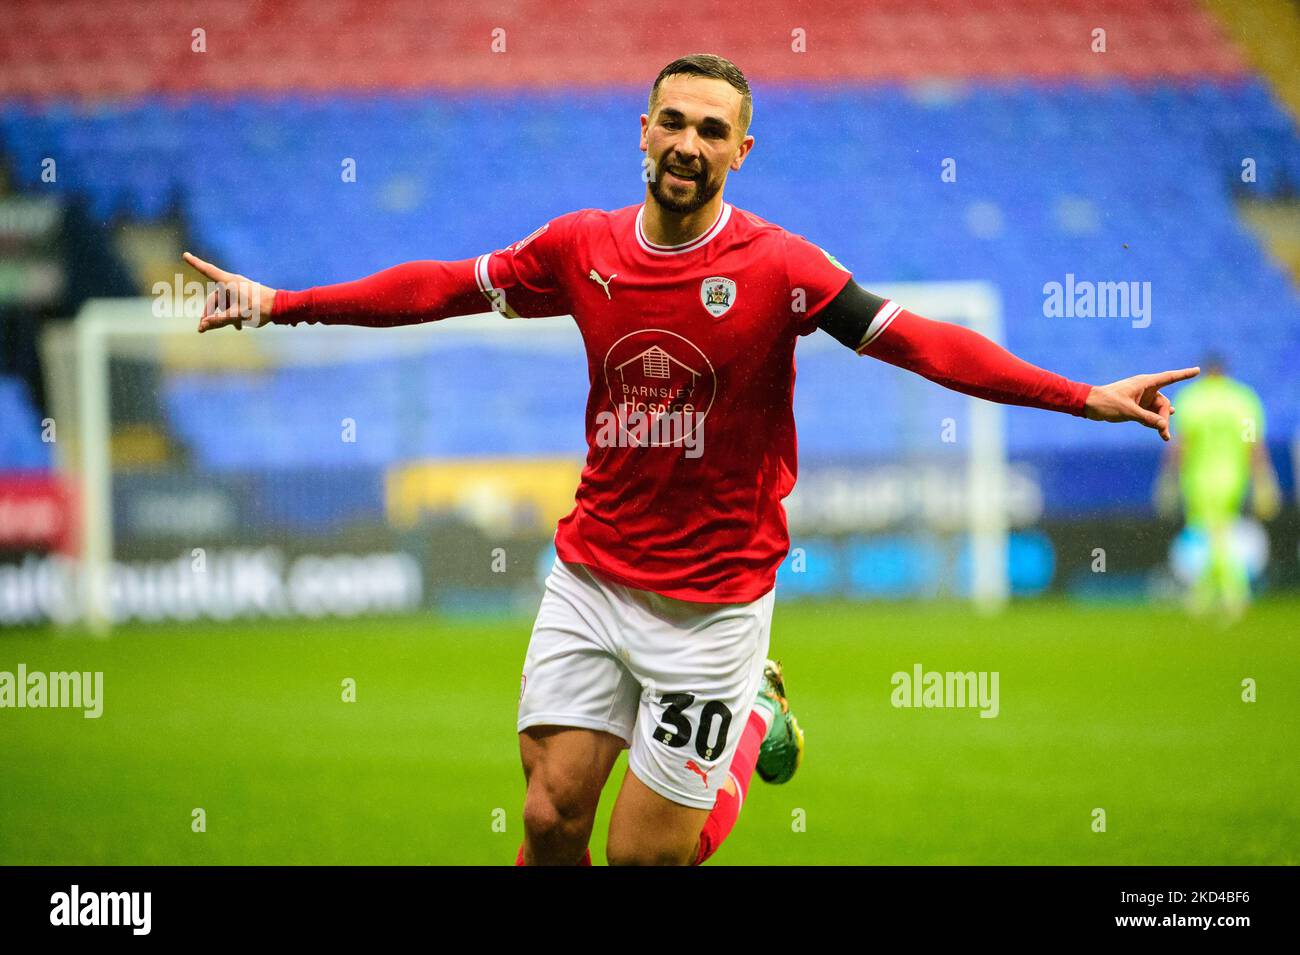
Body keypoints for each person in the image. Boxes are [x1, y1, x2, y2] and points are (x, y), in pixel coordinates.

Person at [183, 53, 1197, 865]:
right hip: (591, 573)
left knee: (643, 859)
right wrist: (280, 300)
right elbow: (440, 287)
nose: (687, 143)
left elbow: (925, 341)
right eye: (672, 121)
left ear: (740, 151)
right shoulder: (580, 247)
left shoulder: (782, 269)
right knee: (546, 822)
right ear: (643, 130)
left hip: (713, 605)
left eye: (712, 130)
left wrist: (1084, 396)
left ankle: (752, 714)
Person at [1155, 353, 1279, 619]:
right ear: (1224, 371)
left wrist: (1167, 479)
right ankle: (1208, 594)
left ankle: (1234, 593)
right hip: (1233, 477)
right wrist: (1263, 480)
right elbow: (1253, 444)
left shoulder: (1193, 399)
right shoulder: (1241, 399)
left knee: (1214, 533)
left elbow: (1181, 445)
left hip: (1199, 478)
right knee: (1218, 533)